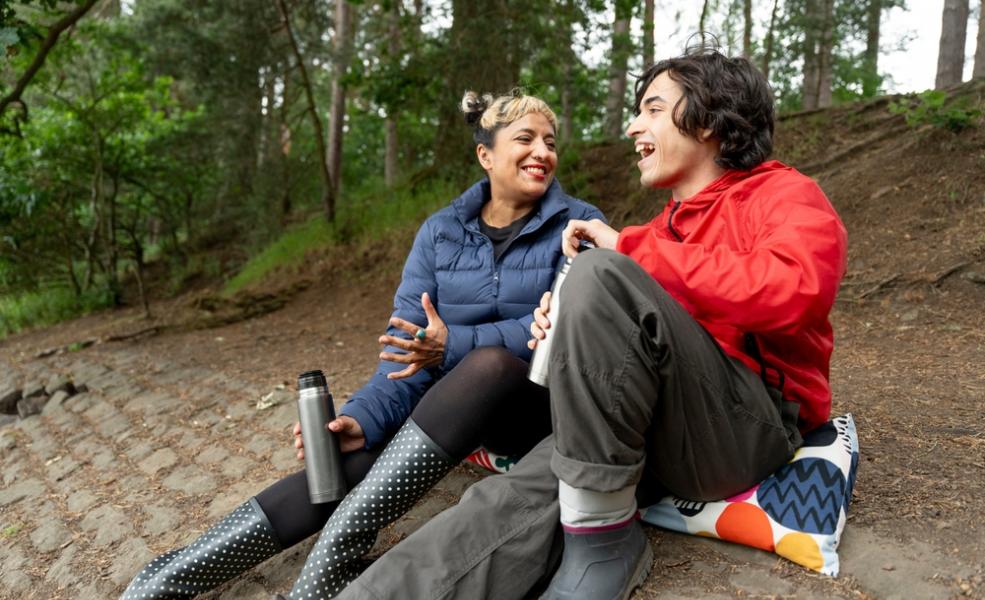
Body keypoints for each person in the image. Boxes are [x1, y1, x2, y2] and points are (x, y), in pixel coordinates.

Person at [333, 47, 848, 600]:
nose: (633, 127)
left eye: (651, 109)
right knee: (507, 502)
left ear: (708, 117)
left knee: (599, 272)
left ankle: (599, 544)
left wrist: (619, 262)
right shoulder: (663, 228)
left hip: (746, 429)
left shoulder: (784, 194)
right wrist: (568, 334)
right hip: (652, 426)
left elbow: (794, 292)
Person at [121, 91, 604, 600]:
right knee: (347, 462)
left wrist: (452, 345)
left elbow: (561, 330)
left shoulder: (577, 222)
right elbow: (408, 350)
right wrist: (362, 418)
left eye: (550, 142)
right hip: (453, 412)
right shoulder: (441, 232)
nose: (542, 152)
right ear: (485, 155)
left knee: (490, 365)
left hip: (536, 405)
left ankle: (334, 555)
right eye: (525, 139)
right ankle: (171, 575)